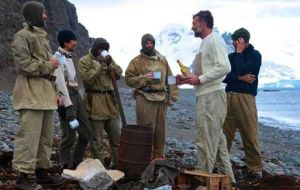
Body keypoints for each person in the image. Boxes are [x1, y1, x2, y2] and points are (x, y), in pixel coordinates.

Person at [11, 1, 66, 189]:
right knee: (29, 136)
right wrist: (49, 65)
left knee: (45, 138)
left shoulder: (42, 37)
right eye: (43, 13)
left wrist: (56, 93)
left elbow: (49, 71)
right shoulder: (22, 37)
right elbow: (24, 65)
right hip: (31, 94)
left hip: (46, 95)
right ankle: (23, 177)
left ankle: (41, 172)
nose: (46, 16)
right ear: (35, 14)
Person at [177, 10, 236, 183]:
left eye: (194, 23)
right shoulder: (205, 43)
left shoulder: (215, 40)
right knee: (217, 143)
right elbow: (206, 73)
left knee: (206, 142)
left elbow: (225, 67)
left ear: (203, 23)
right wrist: (189, 79)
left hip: (211, 97)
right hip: (207, 94)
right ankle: (229, 182)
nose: (192, 26)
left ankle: (202, 181)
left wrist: (199, 78)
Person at [125, 33, 179, 158]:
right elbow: (128, 79)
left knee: (160, 132)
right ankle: (144, 158)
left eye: (151, 43)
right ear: (143, 45)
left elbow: (169, 78)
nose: (149, 45)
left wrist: (173, 95)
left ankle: (159, 157)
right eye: (146, 43)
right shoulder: (137, 61)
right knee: (146, 130)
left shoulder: (162, 59)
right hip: (145, 98)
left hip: (161, 99)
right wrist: (144, 78)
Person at [222, 27, 263, 179]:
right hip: (229, 96)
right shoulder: (230, 57)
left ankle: (255, 168)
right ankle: (221, 164)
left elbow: (244, 68)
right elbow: (225, 77)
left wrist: (239, 55)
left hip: (246, 98)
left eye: (235, 40)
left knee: (249, 133)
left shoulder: (255, 55)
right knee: (225, 133)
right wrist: (240, 78)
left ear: (242, 40)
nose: (233, 43)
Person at [78, 38, 122, 169]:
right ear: (95, 49)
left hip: (110, 102)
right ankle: (100, 168)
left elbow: (119, 73)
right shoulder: (84, 61)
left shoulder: (108, 58)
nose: (102, 52)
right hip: (95, 102)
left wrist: (110, 64)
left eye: (104, 50)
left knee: (116, 137)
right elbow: (87, 80)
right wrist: (97, 66)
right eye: (100, 49)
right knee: (97, 140)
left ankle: (117, 164)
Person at [53, 30, 92, 170]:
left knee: (85, 132)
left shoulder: (67, 57)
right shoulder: (57, 57)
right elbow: (60, 83)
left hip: (76, 96)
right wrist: (68, 106)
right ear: (65, 42)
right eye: (72, 40)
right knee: (69, 135)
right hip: (66, 98)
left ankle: (76, 161)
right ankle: (65, 165)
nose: (75, 43)